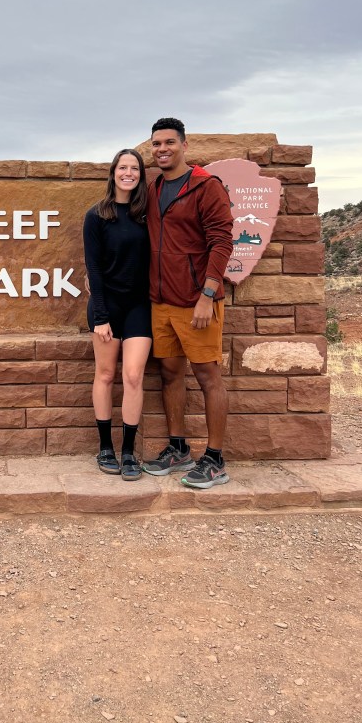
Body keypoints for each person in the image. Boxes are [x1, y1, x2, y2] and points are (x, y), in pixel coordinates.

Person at [141, 117, 233, 489]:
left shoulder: (206, 186)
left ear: (184, 145)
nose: (162, 149)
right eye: (156, 144)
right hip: (160, 302)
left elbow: (223, 242)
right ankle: (178, 447)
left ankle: (215, 459)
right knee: (169, 373)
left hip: (197, 302)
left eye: (168, 143)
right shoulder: (153, 188)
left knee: (209, 376)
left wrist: (207, 295)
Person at [83, 148, 152, 480]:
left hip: (140, 306)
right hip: (106, 306)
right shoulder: (96, 215)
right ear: (113, 173)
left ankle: (128, 452)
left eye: (134, 168)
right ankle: (105, 447)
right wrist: (100, 316)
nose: (129, 173)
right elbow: (93, 269)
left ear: (140, 174)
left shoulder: (147, 214)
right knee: (106, 375)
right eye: (123, 167)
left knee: (134, 376)